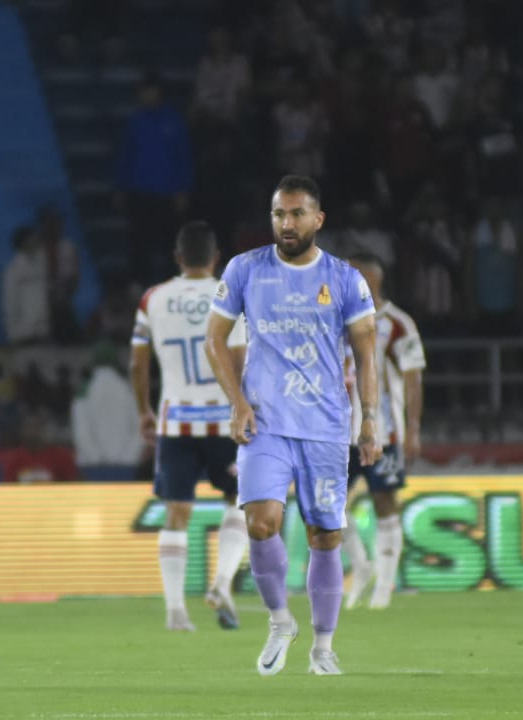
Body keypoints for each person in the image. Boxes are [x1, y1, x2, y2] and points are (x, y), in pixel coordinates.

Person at [204, 175, 380, 677]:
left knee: (325, 535)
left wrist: (370, 418)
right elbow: (214, 339)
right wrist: (237, 403)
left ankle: (323, 646)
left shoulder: (345, 279)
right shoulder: (245, 269)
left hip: (325, 425)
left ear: (318, 219)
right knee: (260, 522)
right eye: (279, 213)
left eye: (297, 214)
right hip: (266, 422)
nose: (287, 222)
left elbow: (367, 354)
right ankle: (280, 620)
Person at [129, 220, 248, 631]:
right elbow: (239, 358)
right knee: (240, 499)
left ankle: (176, 612)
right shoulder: (230, 294)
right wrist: (243, 405)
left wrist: (144, 410)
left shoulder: (153, 298)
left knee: (176, 512)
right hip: (223, 420)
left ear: (178, 257)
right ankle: (221, 583)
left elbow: (138, 363)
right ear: (217, 258)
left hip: (176, 420)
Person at [341, 253, 426, 611]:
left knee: (384, 502)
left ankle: (383, 589)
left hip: (382, 433)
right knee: (325, 505)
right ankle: (361, 565)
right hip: (336, 432)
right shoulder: (332, 318)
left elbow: (412, 378)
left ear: (373, 279)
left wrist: (413, 429)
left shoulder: (397, 324)